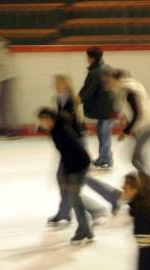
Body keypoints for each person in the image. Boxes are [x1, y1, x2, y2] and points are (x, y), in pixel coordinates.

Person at [46, 75, 108, 227]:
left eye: (58, 83)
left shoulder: (71, 100)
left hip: (74, 142)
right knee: (69, 180)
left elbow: (70, 121)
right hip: (69, 141)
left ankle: (96, 208)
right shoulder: (58, 99)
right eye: (55, 83)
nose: (55, 85)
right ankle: (66, 211)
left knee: (68, 180)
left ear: (65, 85)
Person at [106, 69, 150, 188]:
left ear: (117, 80)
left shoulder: (127, 91)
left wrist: (126, 131)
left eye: (111, 80)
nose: (109, 83)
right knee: (141, 158)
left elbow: (137, 113)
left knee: (136, 159)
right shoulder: (134, 87)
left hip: (148, 127)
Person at [37, 107, 93, 244]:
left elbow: (72, 151)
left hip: (79, 165)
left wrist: (69, 175)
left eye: (41, 121)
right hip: (75, 164)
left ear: (48, 119)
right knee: (74, 197)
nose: (40, 124)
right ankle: (86, 229)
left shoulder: (60, 131)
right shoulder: (57, 128)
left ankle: (84, 229)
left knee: (74, 197)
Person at [78, 47, 116, 169]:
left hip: (104, 108)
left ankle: (105, 159)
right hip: (109, 107)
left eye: (88, 57)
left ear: (92, 58)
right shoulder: (107, 68)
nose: (87, 60)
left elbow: (88, 89)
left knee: (104, 134)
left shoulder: (95, 72)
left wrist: (78, 99)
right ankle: (104, 157)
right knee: (103, 133)